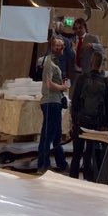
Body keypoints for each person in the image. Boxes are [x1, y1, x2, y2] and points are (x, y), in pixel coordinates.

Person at [69, 49, 108, 181]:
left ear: (90, 63)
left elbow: (75, 101)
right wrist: (107, 124)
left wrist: (74, 120)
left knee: (76, 154)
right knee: (89, 155)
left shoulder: (82, 79)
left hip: (80, 121)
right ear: (101, 64)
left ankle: (72, 181)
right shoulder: (105, 82)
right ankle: (88, 183)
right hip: (94, 124)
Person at [37, 35, 70, 173]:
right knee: (48, 135)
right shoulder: (49, 63)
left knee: (56, 136)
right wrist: (63, 87)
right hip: (51, 102)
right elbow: (49, 84)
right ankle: (42, 165)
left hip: (56, 101)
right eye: (58, 45)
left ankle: (62, 164)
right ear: (52, 47)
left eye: (62, 45)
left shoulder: (56, 63)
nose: (61, 47)